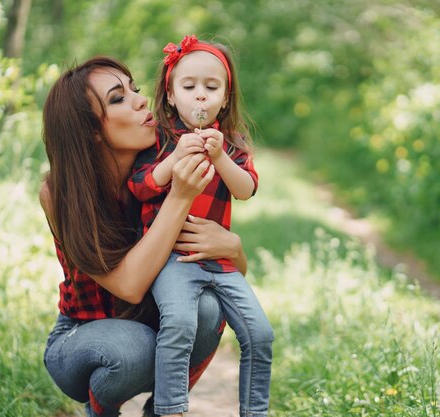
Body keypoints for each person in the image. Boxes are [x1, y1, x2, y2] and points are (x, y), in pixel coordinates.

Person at [40, 56, 249, 417]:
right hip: (81, 337)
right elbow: (130, 286)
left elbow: (223, 277)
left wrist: (235, 249)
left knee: (209, 307)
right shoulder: (60, 192)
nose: (140, 101)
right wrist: (181, 197)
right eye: (118, 98)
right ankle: (101, 411)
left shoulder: (161, 170)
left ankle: (162, 410)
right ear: (89, 129)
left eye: (135, 89)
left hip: (146, 322)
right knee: (132, 349)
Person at [127, 35, 274, 417]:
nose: (200, 96)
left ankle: (255, 411)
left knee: (260, 333)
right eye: (189, 86)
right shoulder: (159, 138)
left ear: (226, 97)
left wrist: (220, 155)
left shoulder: (234, 144)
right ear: (172, 95)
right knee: (178, 325)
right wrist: (175, 157)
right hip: (173, 260)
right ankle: (170, 409)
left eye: (212, 88)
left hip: (219, 261)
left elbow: (246, 189)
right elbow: (141, 186)